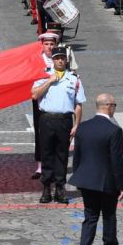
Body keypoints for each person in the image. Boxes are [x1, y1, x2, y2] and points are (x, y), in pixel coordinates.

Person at [69, 93, 123, 245]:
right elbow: (117, 161)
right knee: (109, 218)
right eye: (114, 105)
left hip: (87, 181)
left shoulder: (83, 128)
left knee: (90, 219)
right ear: (108, 106)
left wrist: (79, 178)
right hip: (106, 182)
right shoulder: (113, 131)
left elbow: (77, 157)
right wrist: (121, 185)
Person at [31, 49, 85, 204]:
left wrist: (77, 125)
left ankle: (60, 188)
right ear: (53, 60)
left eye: (62, 58)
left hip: (64, 120)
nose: (60, 61)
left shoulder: (74, 79)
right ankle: (46, 188)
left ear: (66, 61)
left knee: (62, 155)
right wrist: (49, 81)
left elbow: (78, 104)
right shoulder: (43, 75)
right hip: (47, 119)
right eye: (57, 58)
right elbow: (34, 95)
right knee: (46, 153)